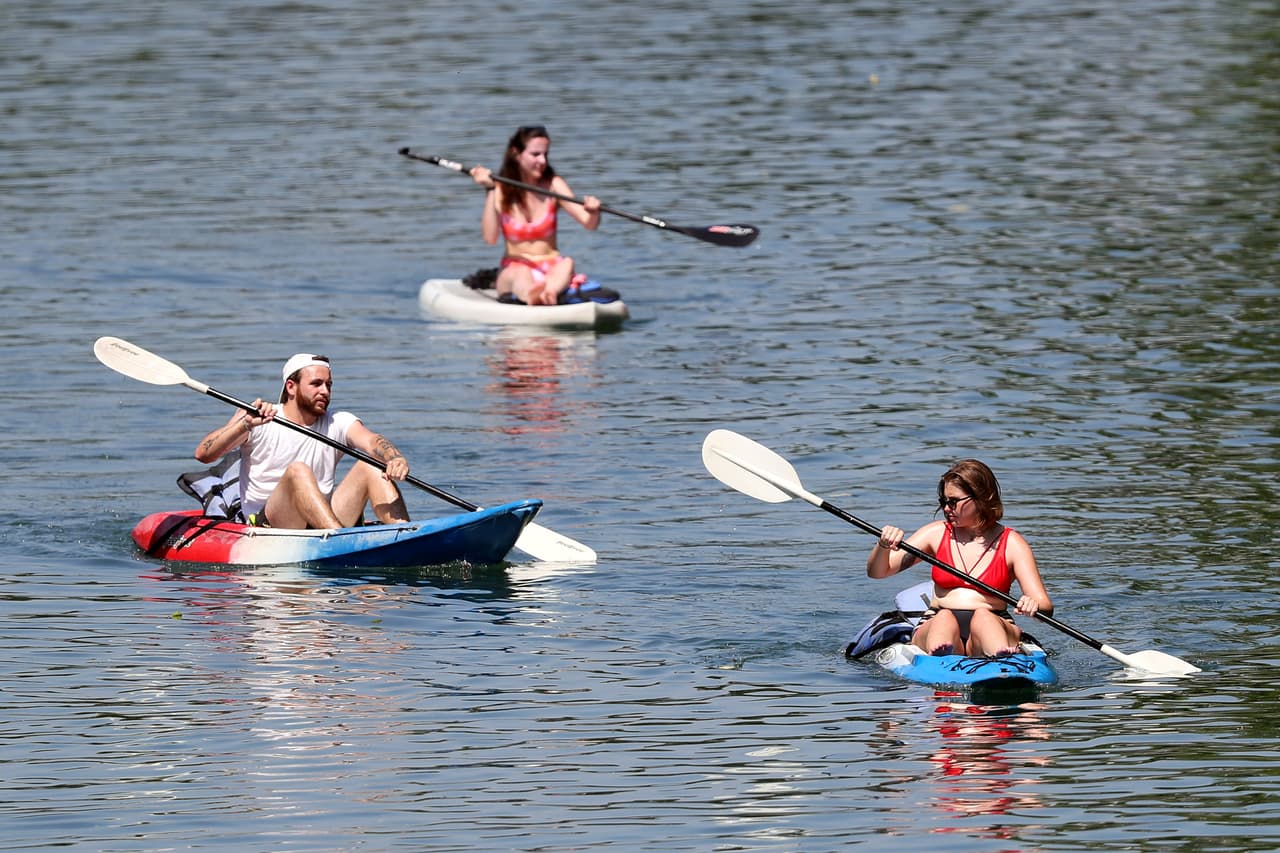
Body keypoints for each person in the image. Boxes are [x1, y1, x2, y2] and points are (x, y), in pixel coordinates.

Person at [194, 354, 411, 530]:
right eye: (316, 384)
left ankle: (406, 536)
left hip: (323, 517)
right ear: (291, 387)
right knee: (298, 471)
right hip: (272, 523)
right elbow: (204, 454)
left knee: (371, 464)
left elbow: (372, 440)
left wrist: (395, 458)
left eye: (328, 385)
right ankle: (337, 541)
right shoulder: (259, 418)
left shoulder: (338, 421)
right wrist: (245, 425)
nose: (325, 391)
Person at [866, 459, 1052, 657]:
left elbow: (1045, 607)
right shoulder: (935, 534)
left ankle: (998, 657)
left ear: (981, 498)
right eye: (943, 501)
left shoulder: (1013, 543)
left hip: (993, 619)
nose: (946, 508)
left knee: (983, 618)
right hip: (938, 618)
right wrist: (883, 545)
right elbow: (878, 572)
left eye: (953, 502)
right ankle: (945, 653)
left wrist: (1033, 604)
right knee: (944, 618)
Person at [469, 125, 601, 305]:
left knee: (567, 263)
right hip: (515, 268)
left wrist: (593, 212)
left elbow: (589, 223)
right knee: (521, 272)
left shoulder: (554, 185)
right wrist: (490, 189)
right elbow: (490, 238)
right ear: (516, 154)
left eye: (545, 154)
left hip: (551, 269)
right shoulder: (499, 189)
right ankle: (532, 296)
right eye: (535, 154)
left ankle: (549, 292)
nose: (543, 160)